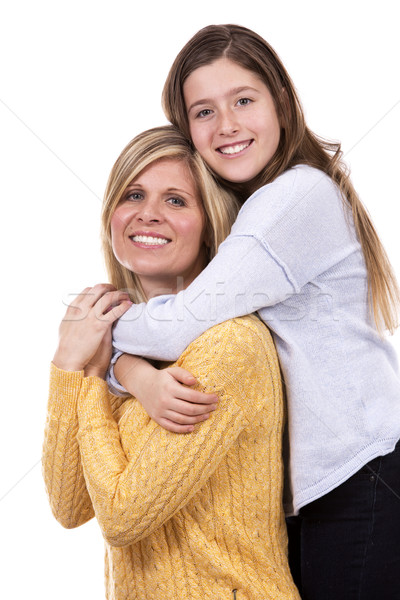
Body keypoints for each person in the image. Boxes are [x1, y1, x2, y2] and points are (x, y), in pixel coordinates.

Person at [107, 25, 400, 599]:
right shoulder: (255, 210)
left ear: (281, 105)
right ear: (187, 129)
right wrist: (130, 371)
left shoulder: (294, 197)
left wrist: (100, 329)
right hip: (323, 488)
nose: (228, 125)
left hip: (360, 477)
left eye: (244, 100)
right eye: (204, 111)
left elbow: (188, 321)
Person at [42, 125, 300, 600]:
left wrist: (97, 372)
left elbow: (121, 516)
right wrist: (68, 366)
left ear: (209, 224)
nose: (148, 214)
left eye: (176, 201)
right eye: (134, 194)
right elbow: (70, 505)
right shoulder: (120, 338)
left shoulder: (230, 344)